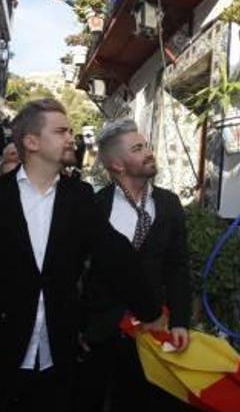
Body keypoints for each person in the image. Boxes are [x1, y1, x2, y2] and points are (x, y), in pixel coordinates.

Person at [0, 98, 164, 411]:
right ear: (31, 142)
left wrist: (151, 311)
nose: (71, 138)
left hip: (56, 358)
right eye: (60, 131)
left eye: (70, 130)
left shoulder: (79, 197)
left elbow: (115, 255)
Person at [75, 118, 192, 412]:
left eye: (147, 146)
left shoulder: (169, 204)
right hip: (101, 332)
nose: (149, 152)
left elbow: (178, 267)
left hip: (152, 331)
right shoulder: (95, 206)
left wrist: (179, 321)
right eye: (138, 149)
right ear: (117, 165)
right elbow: (75, 272)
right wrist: (79, 328)